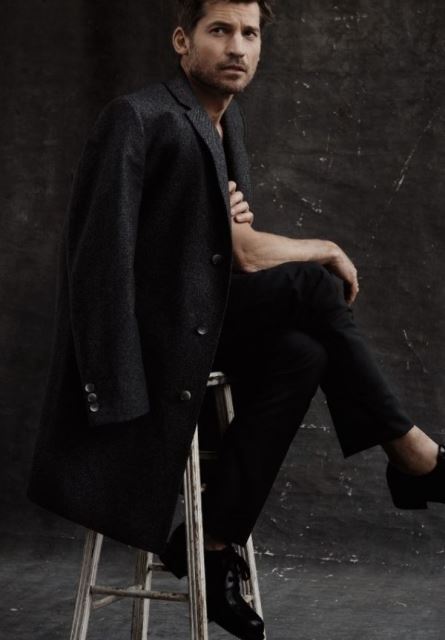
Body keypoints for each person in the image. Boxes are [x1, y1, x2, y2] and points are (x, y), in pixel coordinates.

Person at [28, 2, 445, 639]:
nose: (237, 47)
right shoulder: (138, 117)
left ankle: (214, 547)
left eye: (249, 33)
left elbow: (234, 254)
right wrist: (113, 393)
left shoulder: (226, 125)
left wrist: (225, 229)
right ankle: (413, 454)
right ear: (182, 40)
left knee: (306, 352)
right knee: (315, 282)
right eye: (219, 30)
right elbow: (98, 262)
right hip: (151, 345)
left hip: (200, 320)